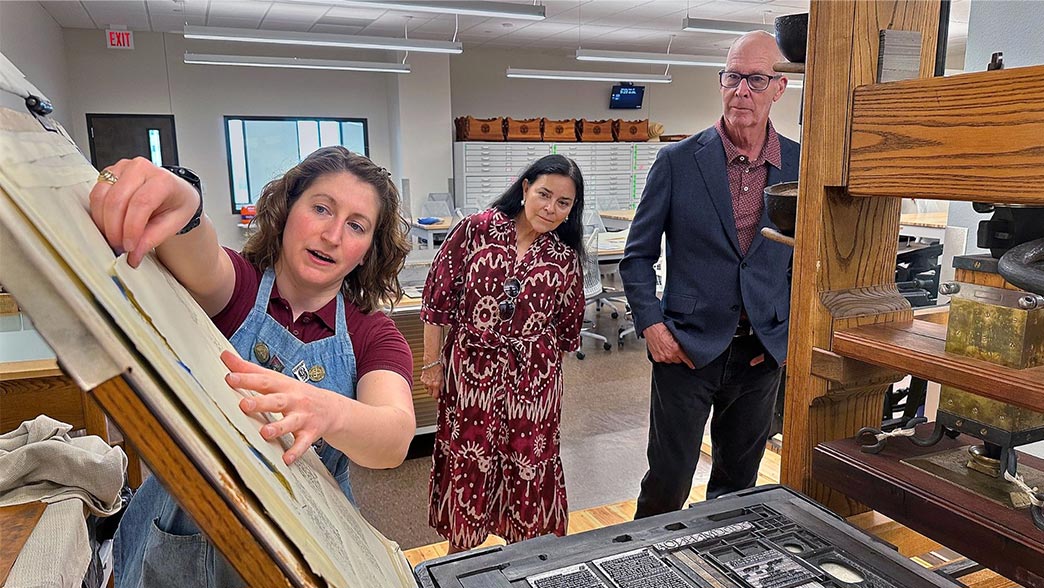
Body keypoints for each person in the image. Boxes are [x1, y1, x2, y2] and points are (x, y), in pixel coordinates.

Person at [90, 146, 416, 587]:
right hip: (184, 532)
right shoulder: (237, 288)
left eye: (356, 226)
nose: (333, 234)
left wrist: (327, 411)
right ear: (285, 212)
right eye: (321, 208)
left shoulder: (372, 335)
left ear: (366, 251)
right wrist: (183, 203)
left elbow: (394, 437)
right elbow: (200, 256)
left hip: (310, 543)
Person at [620, 31, 801, 518]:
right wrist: (651, 326)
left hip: (760, 354)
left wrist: (785, 336)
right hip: (686, 350)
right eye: (732, 77)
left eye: (756, 80)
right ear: (721, 82)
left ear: (779, 87)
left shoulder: (801, 164)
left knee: (737, 488)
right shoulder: (679, 161)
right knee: (667, 483)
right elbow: (636, 256)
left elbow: (807, 260)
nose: (742, 91)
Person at [420, 154, 586, 553]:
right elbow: (436, 301)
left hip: (534, 384)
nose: (551, 208)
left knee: (527, 466)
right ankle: (457, 562)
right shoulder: (476, 231)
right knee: (470, 458)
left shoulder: (564, 257)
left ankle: (522, 563)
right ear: (525, 187)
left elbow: (565, 333)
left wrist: (541, 389)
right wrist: (432, 364)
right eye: (545, 194)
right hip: (471, 373)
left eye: (564, 203)